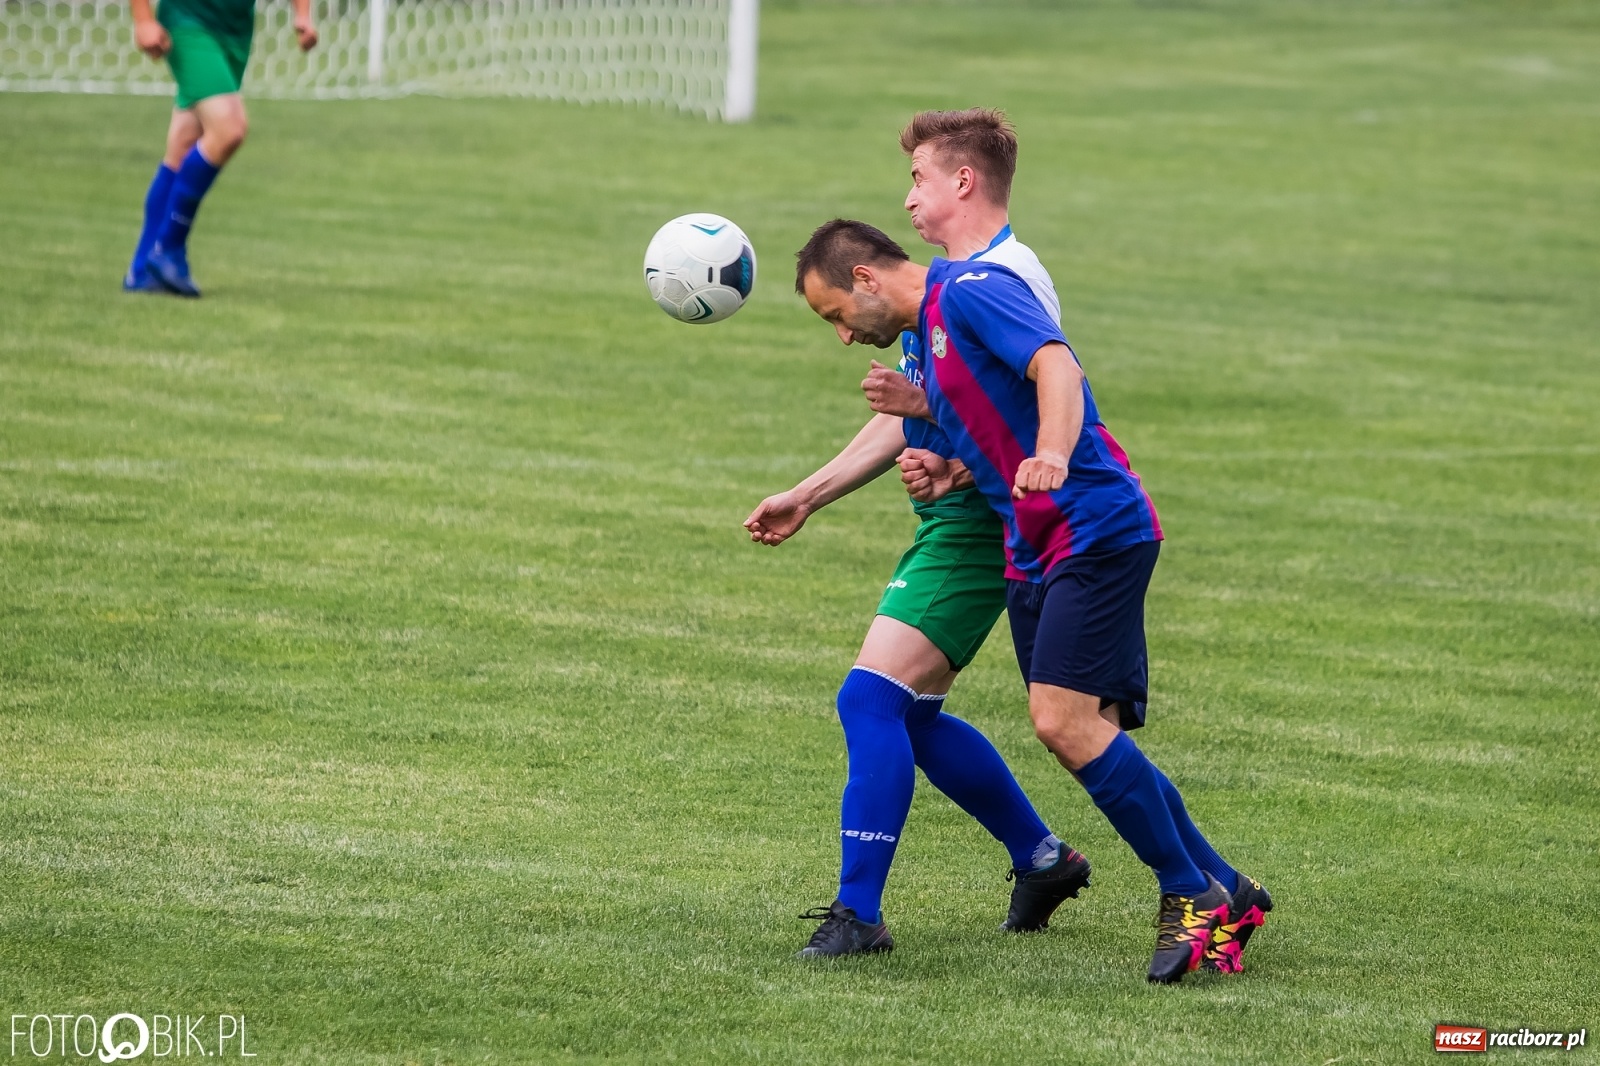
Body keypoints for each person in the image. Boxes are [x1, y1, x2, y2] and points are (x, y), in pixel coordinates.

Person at [793, 219, 1272, 983]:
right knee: (1078, 731)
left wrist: (1051, 451)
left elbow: (1056, 367)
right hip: (1034, 544)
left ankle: (1192, 892)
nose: (844, 336)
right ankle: (1225, 886)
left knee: (1063, 723)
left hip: (1092, 527)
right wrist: (943, 462)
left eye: (834, 315)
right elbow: (986, 422)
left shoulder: (976, 289)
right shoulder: (937, 329)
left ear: (865, 279)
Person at [744, 110, 1092, 959]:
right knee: (915, 714)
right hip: (954, 513)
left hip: (977, 526)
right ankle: (1042, 858)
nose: (909, 199)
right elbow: (934, 412)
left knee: (870, 700)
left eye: (918, 180)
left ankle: (858, 914)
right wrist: (811, 493)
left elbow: (1041, 393)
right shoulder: (950, 282)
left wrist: (968, 469)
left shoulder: (999, 278)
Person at [123, 0, 317, 296]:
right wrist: (143, 20)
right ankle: (168, 249)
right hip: (188, 22)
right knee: (229, 129)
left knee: (183, 147)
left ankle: (141, 272)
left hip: (235, 31)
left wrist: (303, 15)